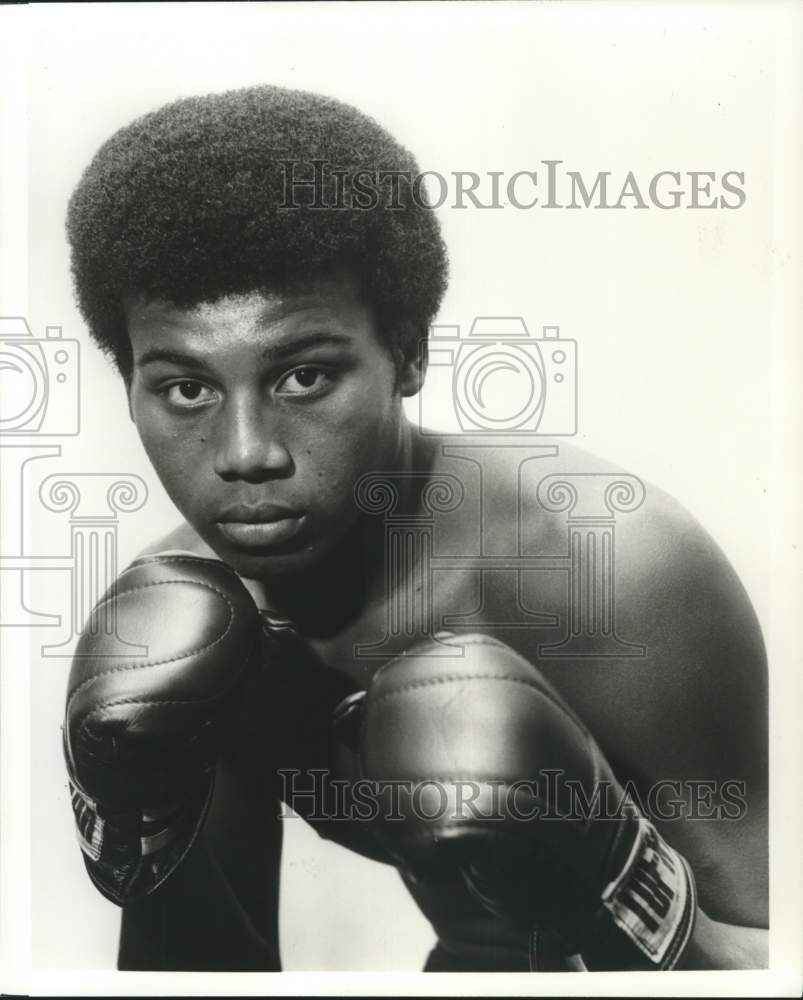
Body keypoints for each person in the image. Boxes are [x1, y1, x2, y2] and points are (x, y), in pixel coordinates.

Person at [62, 84, 767, 972]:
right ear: (130, 383)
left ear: (408, 352)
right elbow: (205, 976)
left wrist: (623, 888)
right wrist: (144, 818)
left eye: (304, 377)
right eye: (187, 389)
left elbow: (774, 960)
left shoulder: (605, 571)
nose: (244, 454)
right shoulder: (182, 626)